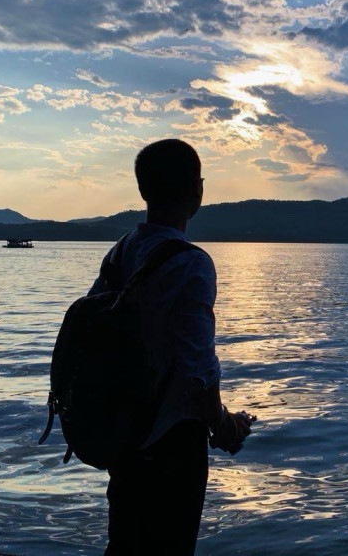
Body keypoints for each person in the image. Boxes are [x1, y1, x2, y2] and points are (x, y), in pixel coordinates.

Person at [87, 138, 255, 556]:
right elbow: (198, 370)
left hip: (125, 435)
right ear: (198, 190)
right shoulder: (191, 263)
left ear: (142, 189)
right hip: (172, 444)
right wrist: (224, 425)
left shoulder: (121, 251)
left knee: (124, 547)